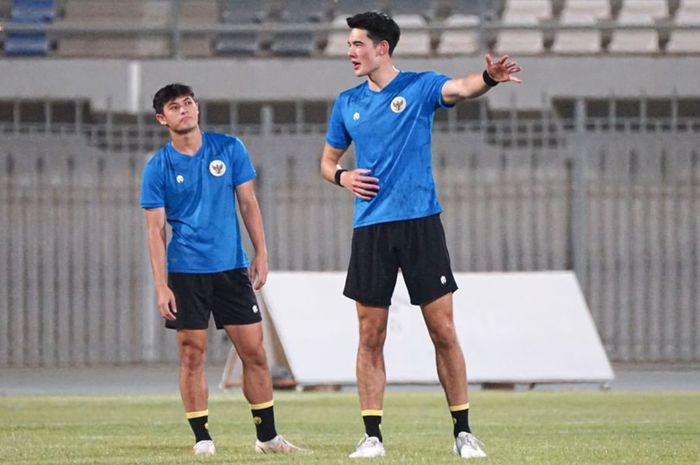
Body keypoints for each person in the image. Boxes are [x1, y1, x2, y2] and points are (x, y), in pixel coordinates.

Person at [319, 12, 522, 459]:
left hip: (420, 224)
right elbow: (327, 160)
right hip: (370, 227)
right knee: (370, 334)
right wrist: (342, 176)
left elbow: (460, 88)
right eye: (349, 44)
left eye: (357, 44)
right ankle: (372, 435)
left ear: (382, 48)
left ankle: (464, 432)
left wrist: (488, 78)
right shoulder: (346, 102)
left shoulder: (419, 86)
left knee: (443, 330)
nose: (350, 52)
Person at [141, 83, 303, 456]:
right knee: (192, 354)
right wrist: (161, 285)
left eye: (188, 103)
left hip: (231, 268)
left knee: (256, 353)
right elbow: (155, 229)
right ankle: (202, 438)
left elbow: (248, 203)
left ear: (197, 108)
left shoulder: (229, 149)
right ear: (161, 118)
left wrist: (261, 252)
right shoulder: (157, 167)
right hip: (185, 273)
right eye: (174, 106)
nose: (184, 110)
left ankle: (268, 438)